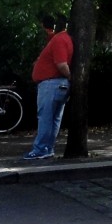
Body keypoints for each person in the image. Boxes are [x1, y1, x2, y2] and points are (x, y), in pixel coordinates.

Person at [24, 13, 73, 160]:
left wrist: (70, 77)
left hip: (51, 84)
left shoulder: (59, 40)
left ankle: (40, 149)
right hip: (58, 84)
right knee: (54, 118)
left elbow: (61, 64)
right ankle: (48, 148)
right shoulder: (66, 39)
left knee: (45, 117)